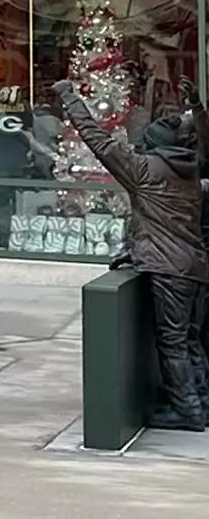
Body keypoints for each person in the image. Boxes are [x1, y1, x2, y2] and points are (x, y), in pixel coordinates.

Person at [56, 78, 209, 430]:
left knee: (172, 342)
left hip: (170, 269)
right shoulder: (189, 172)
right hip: (195, 265)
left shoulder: (146, 172)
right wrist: (197, 108)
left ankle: (187, 410)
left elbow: (99, 142)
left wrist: (69, 98)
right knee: (189, 339)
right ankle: (201, 402)